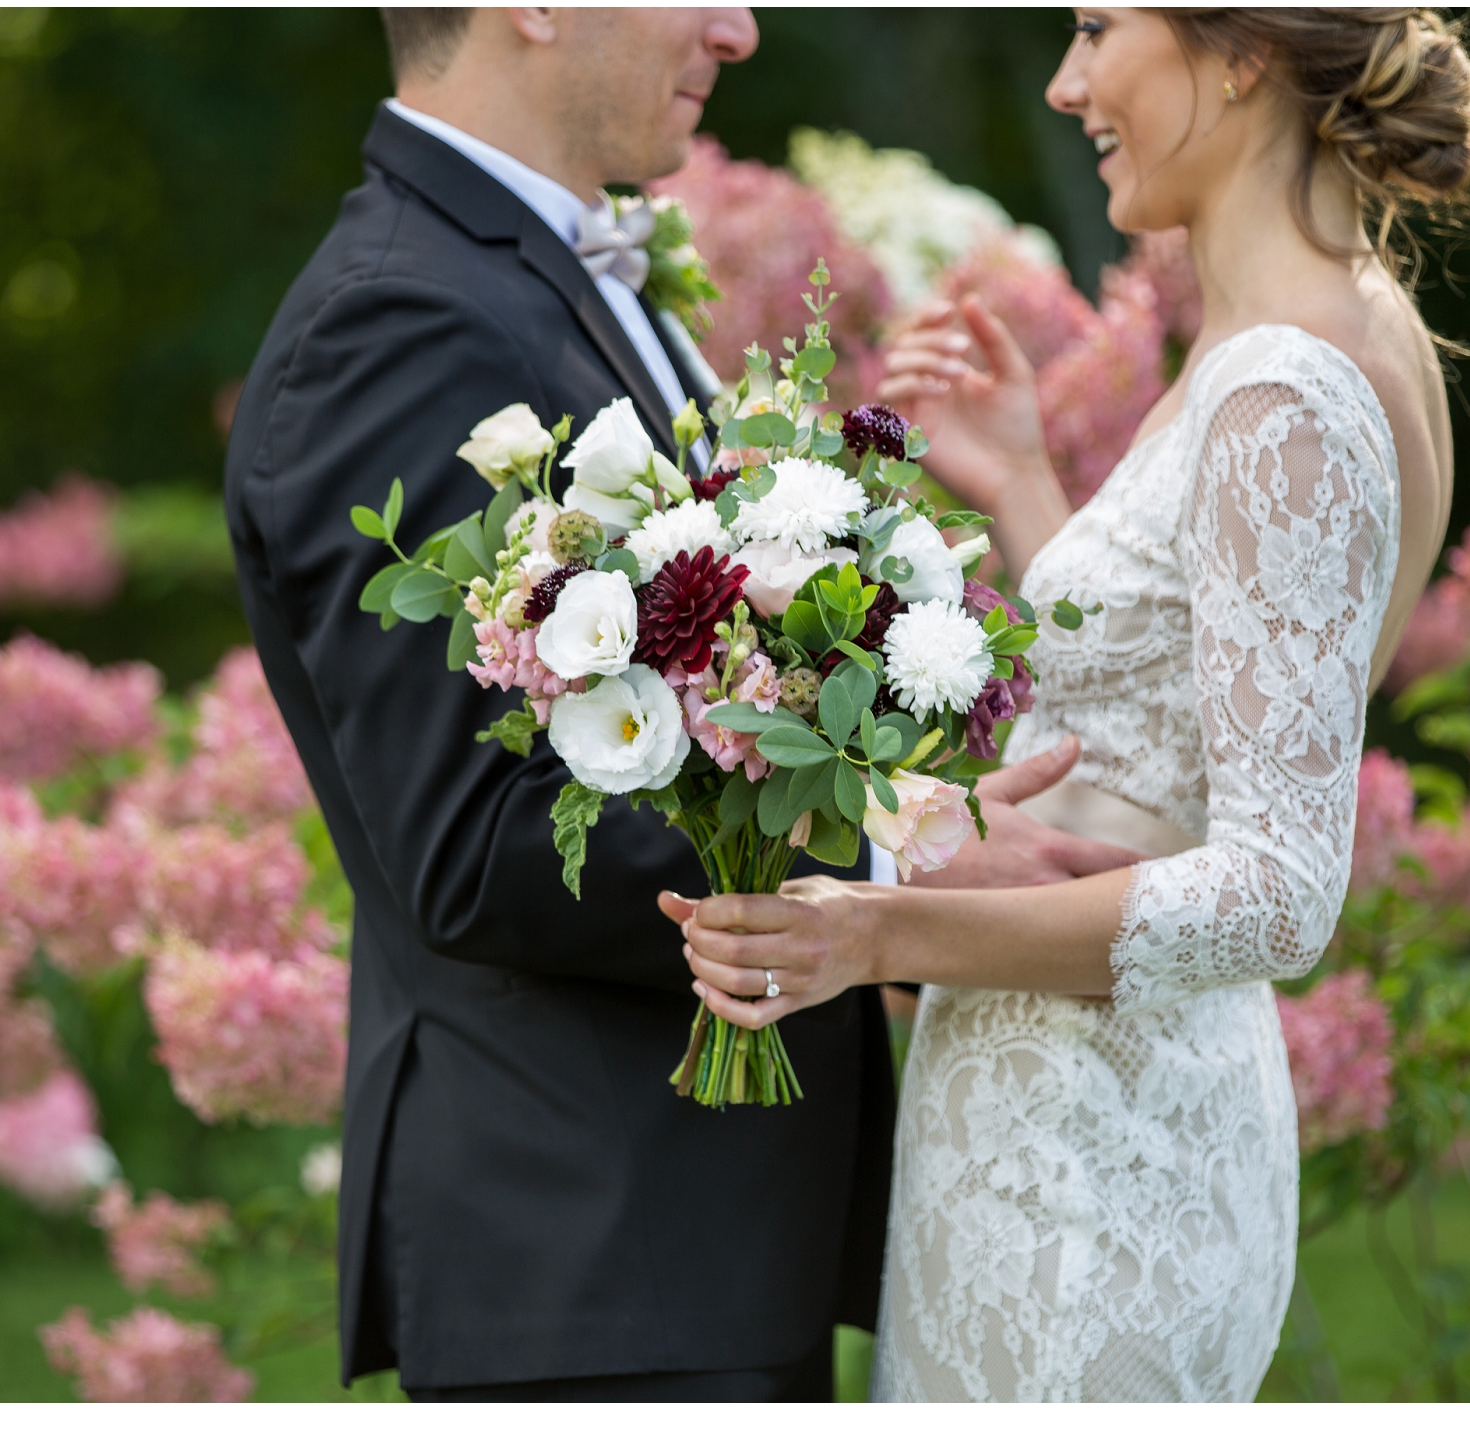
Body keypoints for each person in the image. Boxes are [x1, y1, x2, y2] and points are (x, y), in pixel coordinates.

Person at [222, 7, 1065, 1404]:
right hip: (592, 1257)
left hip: (688, 1248)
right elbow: (475, 844)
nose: (739, 30)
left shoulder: (557, 272)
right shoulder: (396, 320)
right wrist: (889, 860)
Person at [663, 7, 1470, 1401]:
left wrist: (878, 929)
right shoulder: (1316, 333)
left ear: (1237, 51)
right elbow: (1171, 707)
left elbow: (1278, 892)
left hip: (1097, 1165)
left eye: (1097, 27)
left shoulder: (1284, 385)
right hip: (1053, 1114)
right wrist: (1020, 486)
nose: (1064, 82)